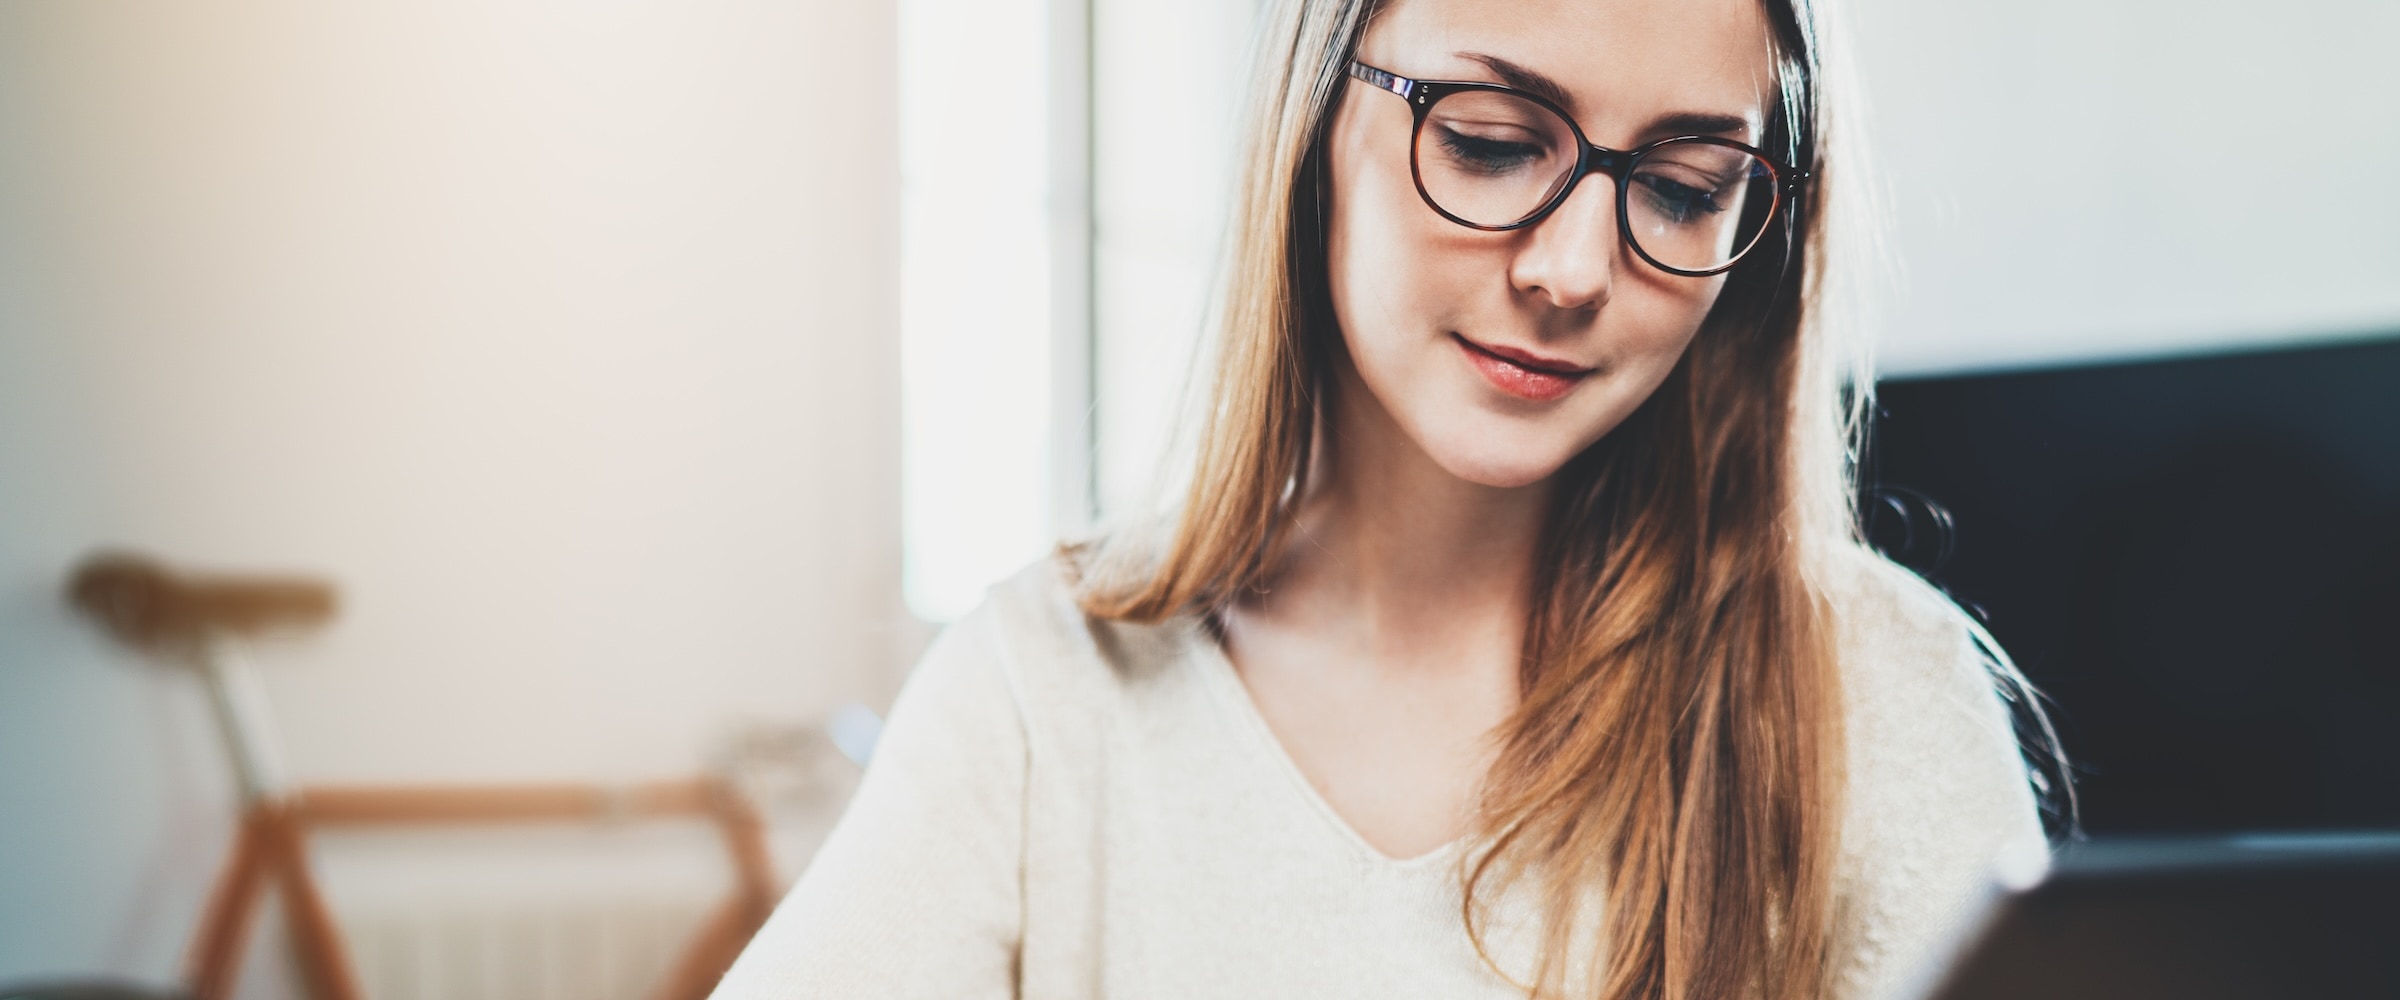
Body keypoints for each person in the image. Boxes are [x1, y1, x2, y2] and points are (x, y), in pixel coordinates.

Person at [715, 0, 2056, 996]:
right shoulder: (1047, 693)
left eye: (1683, 187)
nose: (1576, 269)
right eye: (1487, 143)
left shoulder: (1868, 696)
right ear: (1315, 120)